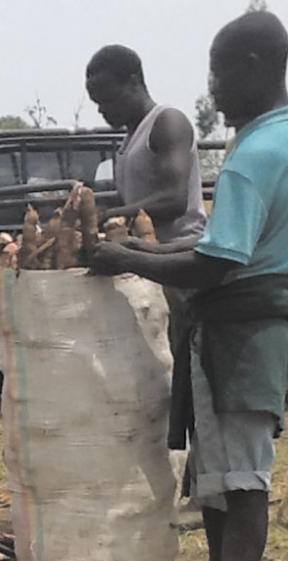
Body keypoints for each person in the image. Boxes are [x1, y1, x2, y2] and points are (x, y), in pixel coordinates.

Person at [89, 11, 288, 561]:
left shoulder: (254, 155)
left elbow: (217, 260)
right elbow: (222, 241)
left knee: (242, 477)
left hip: (245, 326)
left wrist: (129, 258)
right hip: (245, 317)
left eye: (218, 75)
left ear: (251, 68)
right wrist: (135, 255)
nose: (210, 89)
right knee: (215, 472)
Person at [85, 44, 206, 352]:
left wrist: (111, 216)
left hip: (178, 264)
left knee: (182, 361)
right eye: (96, 102)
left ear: (134, 82)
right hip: (145, 264)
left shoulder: (167, 123)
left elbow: (174, 200)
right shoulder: (128, 141)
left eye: (107, 98)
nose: (102, 109)